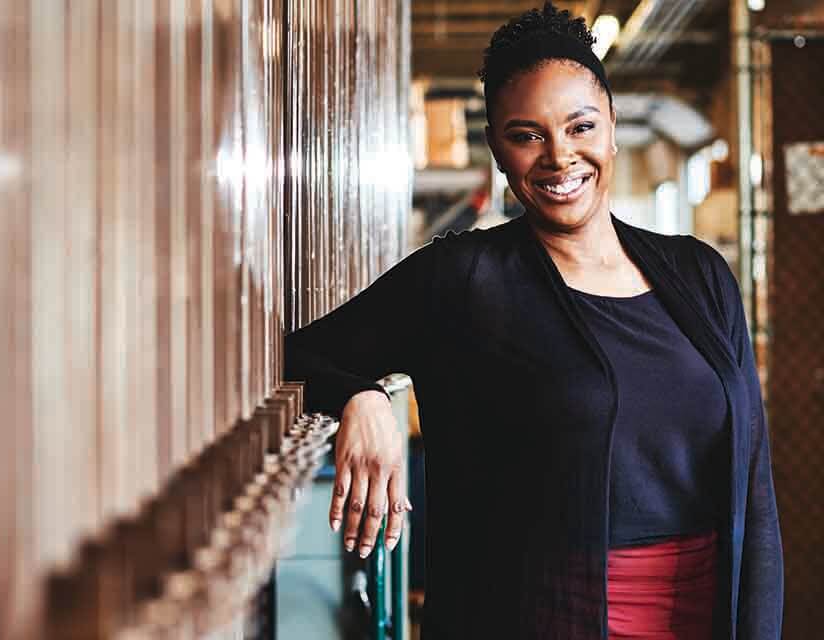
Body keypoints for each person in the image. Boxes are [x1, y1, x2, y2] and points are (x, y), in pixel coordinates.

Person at [283, 2, 783, 637]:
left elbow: (755, 492)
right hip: (545, 617)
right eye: (527, 135)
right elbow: (289, 354)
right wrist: (363, 394)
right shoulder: (466, 280)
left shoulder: (700, 277)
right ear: (497, 148)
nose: (559, 157)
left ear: (610, 125)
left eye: (580, 127)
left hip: (708, 614)